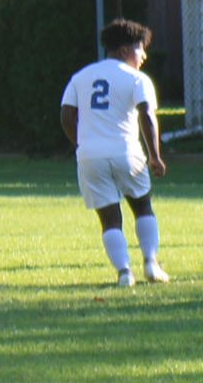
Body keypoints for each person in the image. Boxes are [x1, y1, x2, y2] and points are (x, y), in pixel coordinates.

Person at [60, 19, 168, 286]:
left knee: (109, 218)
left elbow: (66, 115)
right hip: (126, 151)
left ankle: (123, 273)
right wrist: (154, 155)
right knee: (142, 205)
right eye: (139, 48)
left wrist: (81, 143)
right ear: (123, 50)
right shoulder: (137, 79)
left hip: (90, 156)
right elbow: (146, 114)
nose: (143, 55)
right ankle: (151, 264)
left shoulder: (80, 77)